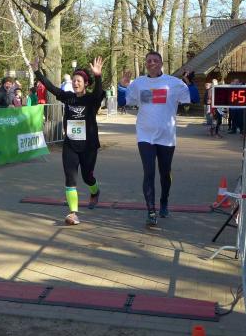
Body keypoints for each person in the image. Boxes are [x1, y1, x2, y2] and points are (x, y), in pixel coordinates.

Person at [120, 51, 191, 226]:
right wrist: (122, 86)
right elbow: (123, 101)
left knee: (165, 173)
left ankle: (164, 201)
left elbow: (193, 98)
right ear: (146, 64)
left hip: (166, 136)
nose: (152, 63)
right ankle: (151, 211)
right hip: (145, 135)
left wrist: (190, 83)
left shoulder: (173, 83)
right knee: (149, 173)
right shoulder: (139, 83)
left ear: (161, 63)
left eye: (155, 60)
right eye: (149, 60)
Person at [33, 56, 104, 226]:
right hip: (71, 145)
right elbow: (51, 87)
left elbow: (98, 92)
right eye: (74, 80)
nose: (75, 83)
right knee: (70, 178)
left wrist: (98, 76)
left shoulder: (91, 100)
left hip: (88, 146)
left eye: (79, 81)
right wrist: (37, 72)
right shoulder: (68, 97)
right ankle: (73, 213)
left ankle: (95, 192)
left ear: (86, 83)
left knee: (87, 177)